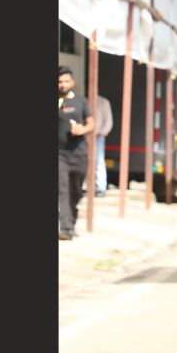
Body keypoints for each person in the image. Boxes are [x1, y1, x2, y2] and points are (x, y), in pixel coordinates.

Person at [58, 66, 95, 240]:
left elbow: (91, 124)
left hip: (79, 154)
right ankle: (65, 228)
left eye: (66, 81)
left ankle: (71, 224)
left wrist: (81, 129)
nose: (63, 85)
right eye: (59, 82)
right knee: (62, 189)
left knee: (75, 192)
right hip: (60, 154)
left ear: (72, 82)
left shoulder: (81, 102)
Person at [93, 94, 113, 197]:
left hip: (98, 137)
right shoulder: (84, 100)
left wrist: (102, 133)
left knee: (99, 161)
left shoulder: (103, 102)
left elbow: (108, 121)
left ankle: (100, 187)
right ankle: (86, 186)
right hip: (84, 136)